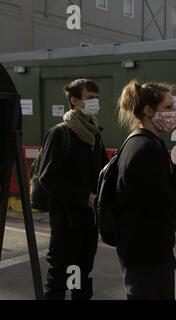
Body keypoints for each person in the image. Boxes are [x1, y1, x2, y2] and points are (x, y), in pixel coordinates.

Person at [115, 80, 176, 300]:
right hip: (146, 256)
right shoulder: (144, 148)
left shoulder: (145, 143)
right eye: (168, 107)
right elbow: (164, 202)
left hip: (148, 252)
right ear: (148, 111)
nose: (174, 113)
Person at [39, 79, 108, 300]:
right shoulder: (60, 134)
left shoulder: (94, 134)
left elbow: (102, 172)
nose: (95, 102)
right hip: (65, 221)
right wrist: (84, 198)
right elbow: (47, 177)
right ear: (74, 101)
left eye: (97, 97)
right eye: (90, 98)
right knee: (58, 278)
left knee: (80, 274)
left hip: (88, 221)